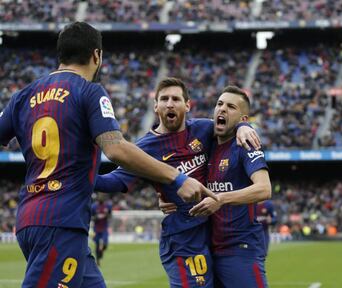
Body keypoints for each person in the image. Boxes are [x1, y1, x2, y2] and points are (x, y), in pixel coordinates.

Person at [0, 22, 214, 288]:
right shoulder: (88, 91)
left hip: (31, 216)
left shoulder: (23, 96)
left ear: (61, 54)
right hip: (61, 221)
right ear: (96, 56)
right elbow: (114, 148)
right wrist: (177, 178)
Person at [94, 77, 261, 287]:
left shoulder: (202, 129)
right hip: (183, 240)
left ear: (187, 105)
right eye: (164, 99)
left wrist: (244, 126)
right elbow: (114, 182)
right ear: (155, 106)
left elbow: (228, 122)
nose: (170, 103)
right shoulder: (145, 148)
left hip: (212, 236)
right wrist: (80, 175)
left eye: (175, 99)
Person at [190, 85, 272, 288]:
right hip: (209, 250)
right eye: (219, 104)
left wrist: (221, 198)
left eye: (231, 106)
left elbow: (264, 189)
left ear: (243, 118)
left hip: (240, 248)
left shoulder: (245, 144)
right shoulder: (206, 144)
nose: (222, 109)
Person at [91, 197, 112, 266]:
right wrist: (96, 217)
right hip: (96, 229)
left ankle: (101, 252)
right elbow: (91, 217)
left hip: (104, 228)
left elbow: (110, 215)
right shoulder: (94, 206)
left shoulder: (108, 206)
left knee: (105, 244)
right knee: (97, 245)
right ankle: (98, 260)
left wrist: (106, 215)